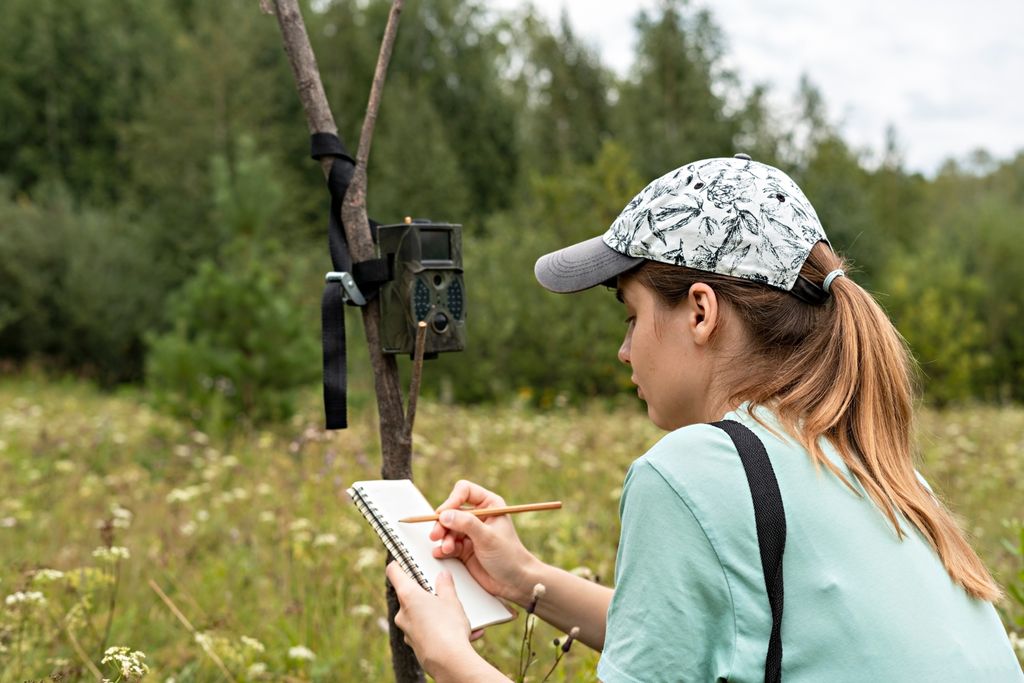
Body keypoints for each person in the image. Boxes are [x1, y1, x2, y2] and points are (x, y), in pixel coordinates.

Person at [385, 155, 1024, 682]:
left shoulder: (692, 471)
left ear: (700, 311)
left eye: (632, 316)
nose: (624, 350)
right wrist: (525, 579)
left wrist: (449, 657)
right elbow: (691, 636)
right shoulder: (873, 467)